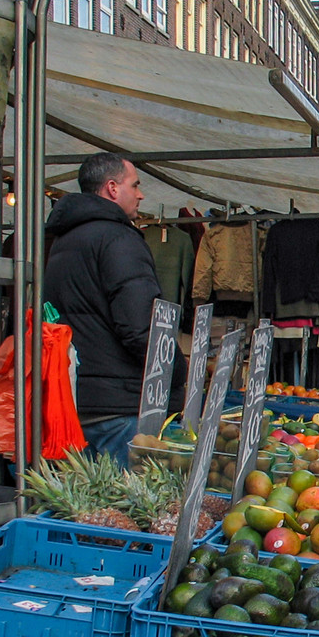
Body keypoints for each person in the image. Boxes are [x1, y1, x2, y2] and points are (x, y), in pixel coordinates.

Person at [44, 152, 187, 466]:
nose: (140, 194)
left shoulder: (62, 240)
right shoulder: (119, 239)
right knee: (127, 509)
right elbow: (140, 328)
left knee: (87, 510)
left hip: (74, 401)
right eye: (134, 185)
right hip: (119, 407)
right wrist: (178, 372)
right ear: (112, 188)